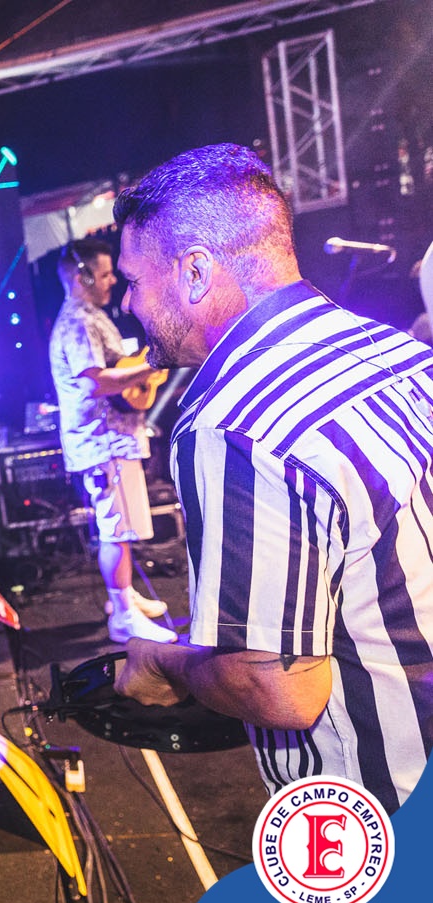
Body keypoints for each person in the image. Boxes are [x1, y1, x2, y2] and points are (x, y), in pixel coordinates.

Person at [113, 143, 433, 812]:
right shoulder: (399, 352)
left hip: (384, 814)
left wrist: (163, 663)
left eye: (134, 280)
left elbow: (278, 688)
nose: (127, 303)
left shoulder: (233, 424)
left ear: (194, 272)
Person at [47, 238, 175, 644]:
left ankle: (124, 596)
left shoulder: (91, 317)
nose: (113, 280)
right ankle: (122, 616)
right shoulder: (79, 321)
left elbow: (116, 371)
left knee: (121, 528)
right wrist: (151, 365)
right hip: (103, 441)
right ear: (82, 276)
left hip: (113, 439)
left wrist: (139, 372)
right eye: (104, 274)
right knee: (115, 530)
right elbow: (95, 382)